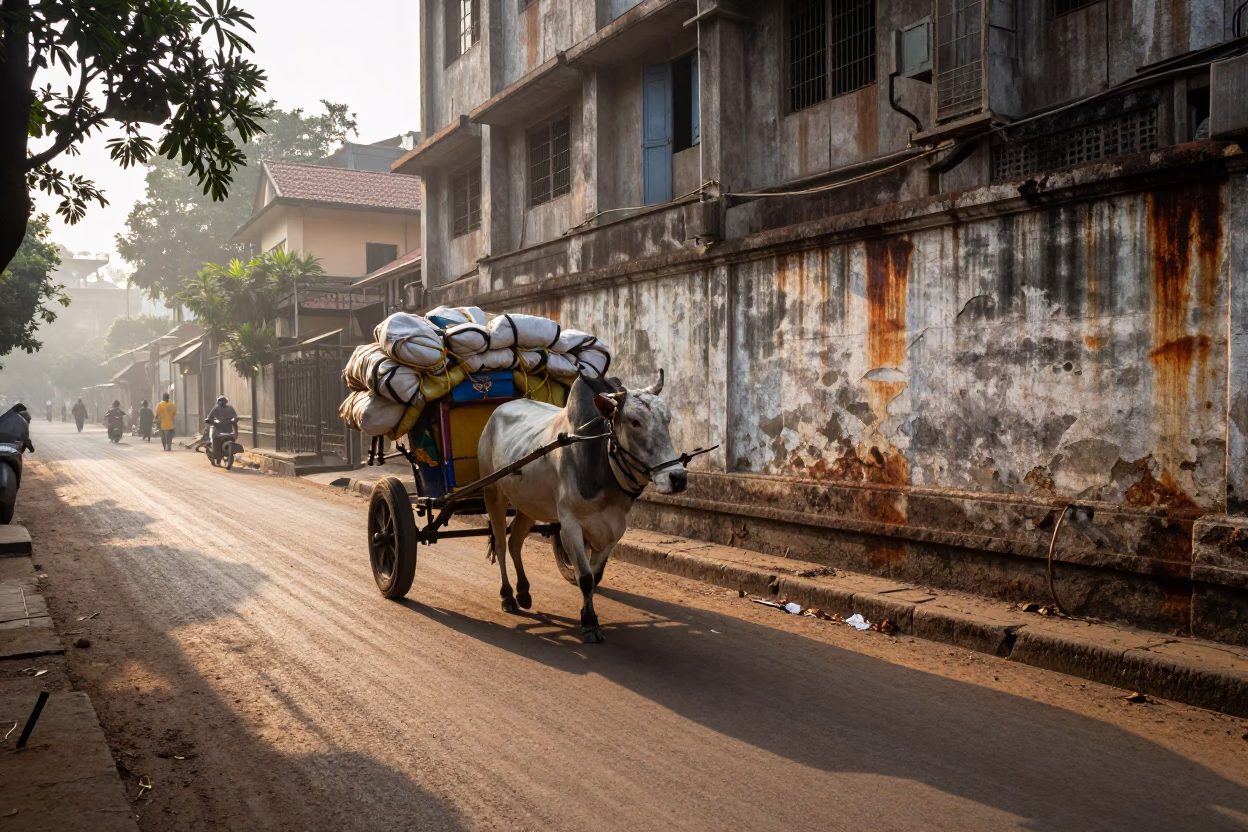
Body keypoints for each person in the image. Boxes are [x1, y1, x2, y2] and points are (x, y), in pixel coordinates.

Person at [204, 395, 238, 460]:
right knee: (215, 438)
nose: (222, 402)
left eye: (223, 401)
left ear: (226, 402)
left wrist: (234, 419)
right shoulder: (216, 409)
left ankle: (228, 451)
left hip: (228, 428)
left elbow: (235, 416)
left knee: (232, 438)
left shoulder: (230, 408)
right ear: (218, 402)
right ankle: (215, 454)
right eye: (220, 401)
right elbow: (210, 417)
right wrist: (210, 420)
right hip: (218, 428)